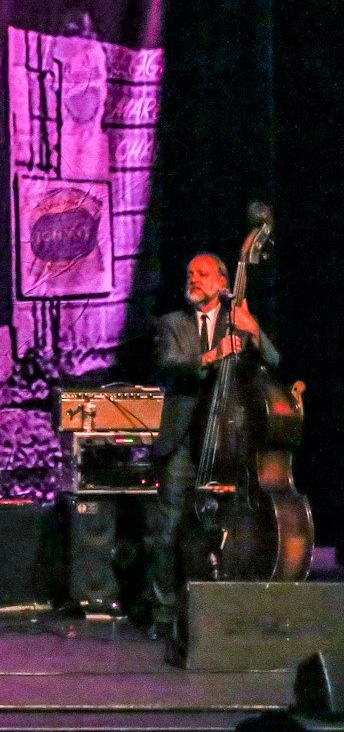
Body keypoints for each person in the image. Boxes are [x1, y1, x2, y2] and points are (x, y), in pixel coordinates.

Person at [149, 252, 278, 641]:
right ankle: (164, 612)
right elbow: (169, 362)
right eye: (190, 274)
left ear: (224, 283)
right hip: (185, 439)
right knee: (168, 528)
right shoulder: (173, 323)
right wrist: (213, 354)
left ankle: (229, 605)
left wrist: (252, 329)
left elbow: (273, 359)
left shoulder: (234, 320)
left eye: (203, 274)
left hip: (227, 441)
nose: (194, 279)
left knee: (231, 524)